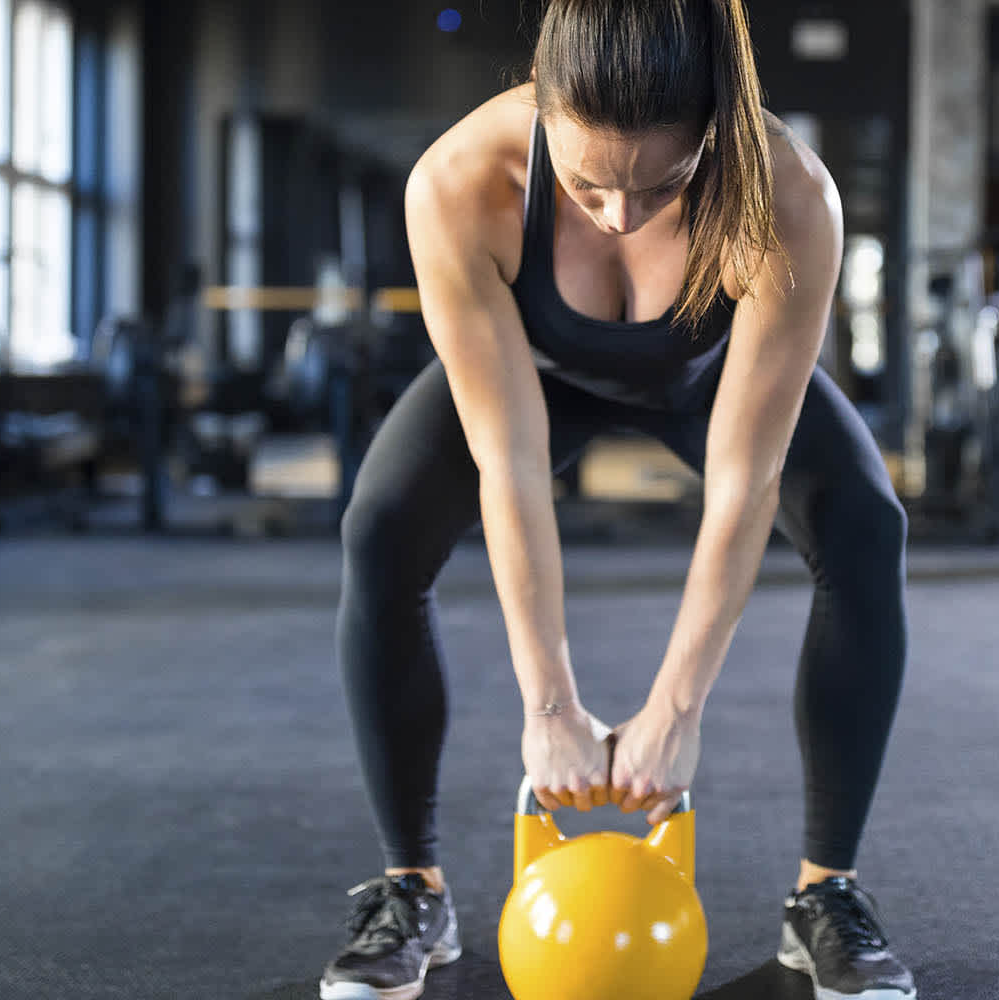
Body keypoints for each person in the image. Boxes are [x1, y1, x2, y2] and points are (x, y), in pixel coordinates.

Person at [319, 1, 913, 997]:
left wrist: (677, 705)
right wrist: (546, 700)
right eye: (585, 180)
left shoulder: (788, 197)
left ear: (712, 135)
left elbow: (742, 476)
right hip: (540, 370)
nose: (619, 215)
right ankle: (411, 886)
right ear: (542, 113)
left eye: (663, 182)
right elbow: (508, 462)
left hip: (706, 375)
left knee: (863, 525)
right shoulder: (459, 185)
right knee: (379, 530)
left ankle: (824, 894)